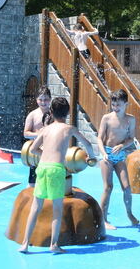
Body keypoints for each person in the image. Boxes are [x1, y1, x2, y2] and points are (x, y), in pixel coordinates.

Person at [18, 97, 96, 254]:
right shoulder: (69, 129)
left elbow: (33, 149)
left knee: (35, 207)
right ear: (67, 113)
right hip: (56, 170)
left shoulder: (45, 129)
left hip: (42, 168)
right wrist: (91, 158)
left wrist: (45, 153)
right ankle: (54, 244)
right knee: (57, 209)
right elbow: (87, 144)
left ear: (51, 112)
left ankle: (25, 244)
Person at [97, 89, 139, 230]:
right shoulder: (107, 118)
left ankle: (130, 214)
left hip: (120, 155)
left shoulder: (130, 119)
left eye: (118, 105)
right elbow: (99, 138)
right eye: (113, 105)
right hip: (107, 155)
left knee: (126, 187)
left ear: (126, 104)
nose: (115, 108)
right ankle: (103, 219)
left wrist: (122, 145)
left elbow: (131, 138)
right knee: (108, 187)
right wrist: (103, 153)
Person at [23, 86, 53, 188]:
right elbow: (26, 133)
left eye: (46, 99)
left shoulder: (53, 115)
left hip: (50, 152)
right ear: (36, 100)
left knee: (49, 182)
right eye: (40, 99)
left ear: (50, 99)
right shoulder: (32, 115)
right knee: (32, 184)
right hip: (36, 153)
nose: (43, 102)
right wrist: (39, 134)